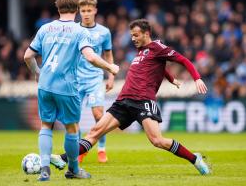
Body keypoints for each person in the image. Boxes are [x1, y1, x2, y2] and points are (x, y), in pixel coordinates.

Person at [50, 19, 211, 175]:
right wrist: (170, 78)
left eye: (136, 35)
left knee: (157, 140)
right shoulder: (142, 52)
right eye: (132, 35)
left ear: (146, 34)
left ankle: (194, 159)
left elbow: (182, 60)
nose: (133, 39)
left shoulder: (158, 47)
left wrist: (196, 78)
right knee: (94, 132)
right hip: (123, 101)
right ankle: (63, 158)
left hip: (143, 100)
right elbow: (155, 66)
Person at [24, 0, 119, 181]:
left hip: (45, 85)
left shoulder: (45, 28)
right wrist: (110, 67)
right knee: (72, 128)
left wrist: (37, 71)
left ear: (57, 9)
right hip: (66, 87)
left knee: (46, 126)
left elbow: (27, 56)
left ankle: (44, 169)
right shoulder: (80, 31)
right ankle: (74, 169)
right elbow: (90, 56)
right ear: (76, 10)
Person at [76, 0, 115, 163]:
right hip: (75, 80)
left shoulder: (104, 32)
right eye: (83, 10)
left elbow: (108, 55)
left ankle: (101, 149)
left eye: (89, 10)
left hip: (95, 79)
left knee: (99, 115)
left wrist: (111, 76)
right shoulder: (74, 30)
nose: (86, 14)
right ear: (79, 11)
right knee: (73, 119)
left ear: (95, 11)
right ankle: (77, 151)